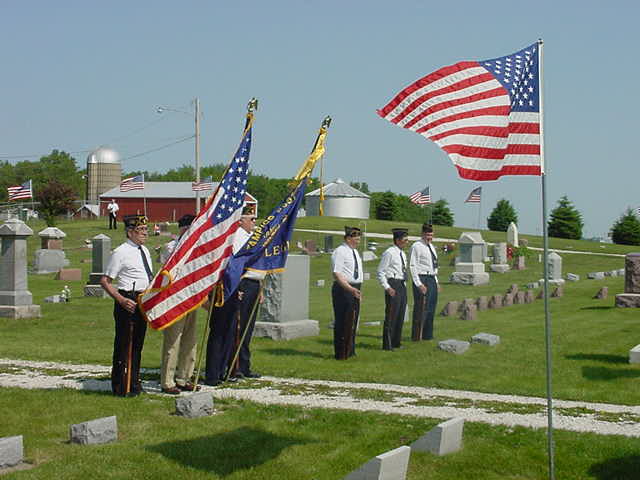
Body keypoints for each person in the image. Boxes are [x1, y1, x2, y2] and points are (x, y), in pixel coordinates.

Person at [205, 206, 264, 385]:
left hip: (253, 283)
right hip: (238, 284)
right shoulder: (237, 236)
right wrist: (237, 286)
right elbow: (238, 264)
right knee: (236, 328)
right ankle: (232, 367)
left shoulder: (249, 237)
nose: (254, 222)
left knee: (245, 328)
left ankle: (239, 366)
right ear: (241, 220)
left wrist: (260, 287)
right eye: (251, 218)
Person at [100, 215, 153, 397]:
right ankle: (121, 385)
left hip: (141, 300)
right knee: (124, 344)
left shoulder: (144, 250)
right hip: (127, 299)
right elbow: (105, 281)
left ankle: (134, 381)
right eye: (141, 230)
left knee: (137, 344)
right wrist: (120, 300)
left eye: (146, 230)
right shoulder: (121, 252)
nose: (145, 233)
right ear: (130, 232)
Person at [159, 214, 200, 394]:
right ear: (183, 229)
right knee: (173, 342)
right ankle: (167, 381)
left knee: (190, 341)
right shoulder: (171, 247)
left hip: (191, 297)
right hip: (174, 299)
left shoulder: (197, 248)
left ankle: (184, 377)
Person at [331, 226, 363, 360]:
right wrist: (350, 289)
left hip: (355, 288)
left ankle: (350, 350)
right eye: (356, 238)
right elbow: (337, 273)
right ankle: (341, 353)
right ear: (348, 238)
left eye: (359, 237)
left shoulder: (354, 252)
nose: (358, 240)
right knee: (343, 321)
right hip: (344, 289)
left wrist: (357, 289)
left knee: (352, 321)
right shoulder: (340, 251)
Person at [377, 228, 409, 351]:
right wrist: (387, 287)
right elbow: (380, 271)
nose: (407, 242)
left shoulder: (402, 253)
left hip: (401, 284)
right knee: (391, 315)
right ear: (397, 240)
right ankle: (387, 344)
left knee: (400, 314)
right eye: (405, 240)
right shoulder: (389, 252)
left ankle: (397, 342)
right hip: (393, 283)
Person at [409, 223, 440, 341]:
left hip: (431, 278)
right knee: (421, 308)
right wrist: (418, 283)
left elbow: (434, 266)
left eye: (431, 235)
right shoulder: (416, 246)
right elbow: (412, 265)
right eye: (427, 234)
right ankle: (417, 336)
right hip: (422, 278)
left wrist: (436, 282)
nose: (429, 237)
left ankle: (428, 335)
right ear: (422, 234)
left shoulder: (431, 247)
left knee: (431, 308)